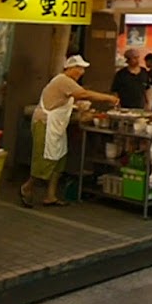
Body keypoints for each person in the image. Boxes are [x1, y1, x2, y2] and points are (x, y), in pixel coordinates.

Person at [21, 55, 118, 208]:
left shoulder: (69, 83)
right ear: (70, 68)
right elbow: (83, 94)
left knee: (59, 160)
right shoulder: (62, 80)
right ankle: (27, 187)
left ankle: (50, 196)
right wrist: (109, 98)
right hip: (46, 124)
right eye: (79, 68)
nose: (81, 72)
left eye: (83, 69)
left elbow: (74, 99)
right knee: (45, 160)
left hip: (57, 126)